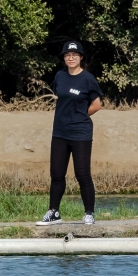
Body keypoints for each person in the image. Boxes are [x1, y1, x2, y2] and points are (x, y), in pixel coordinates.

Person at [37, 40, 102, 227]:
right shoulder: (60, 76)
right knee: (57, 174)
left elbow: (97, 104)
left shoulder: (88, 78)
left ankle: (89, 213)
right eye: (67, 55)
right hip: (60, 132)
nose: (71, 58)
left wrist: (80, 115)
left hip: (80, 132)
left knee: (82, 174)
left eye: (74, 55)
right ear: (64, 58)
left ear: (81, 57)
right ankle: (53, 212)